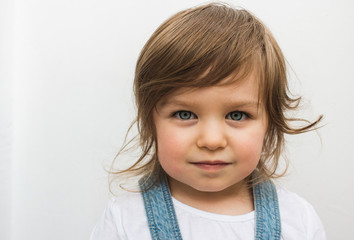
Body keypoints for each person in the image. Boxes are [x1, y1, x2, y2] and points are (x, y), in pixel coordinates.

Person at [90, 3, 326, 240]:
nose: (211, 141)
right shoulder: (125, 221)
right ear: (151, 122)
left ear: (270, 123)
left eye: (237, 115)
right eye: (185, 114)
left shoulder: (297, 221)